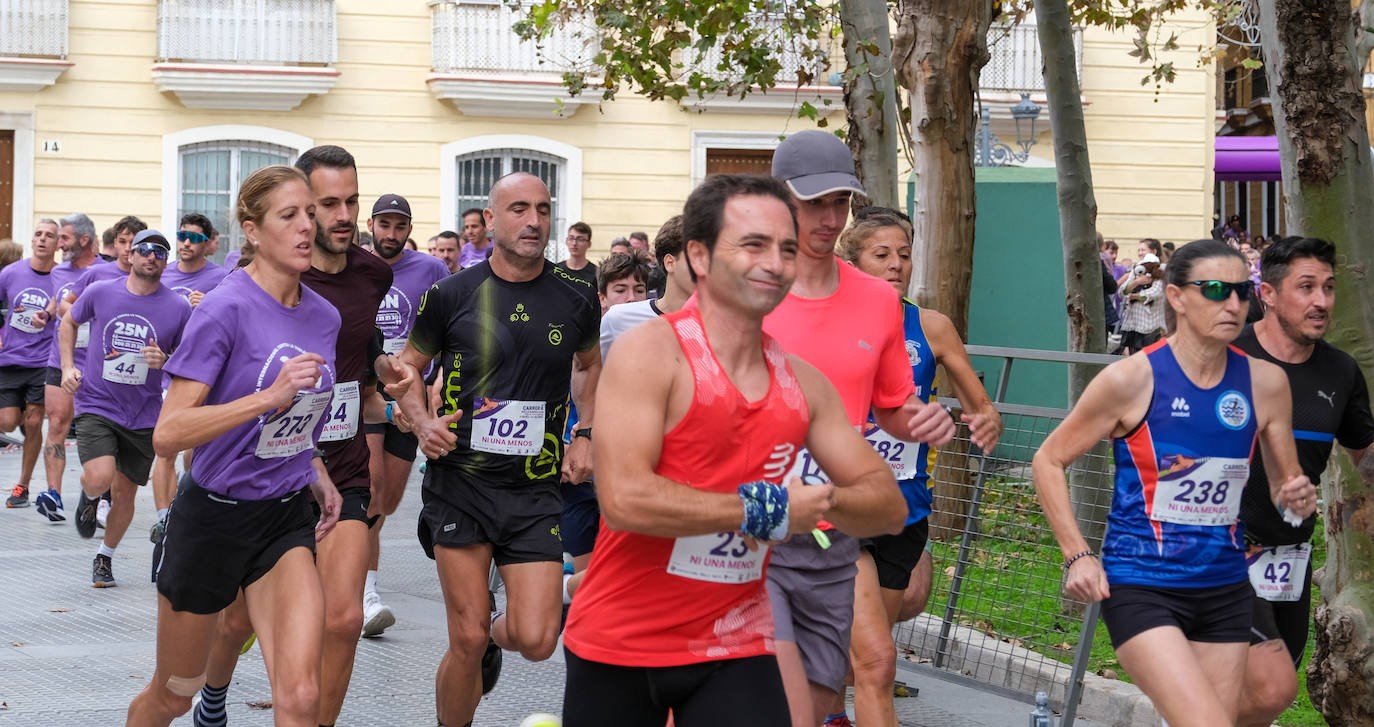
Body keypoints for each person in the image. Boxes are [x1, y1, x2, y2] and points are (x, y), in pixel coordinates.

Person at [561, 173, 906, 727]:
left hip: (736, 642)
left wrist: (820, 504)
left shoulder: (803, 383)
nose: (775, 263)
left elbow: (887, 505)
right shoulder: (651, 354)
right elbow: (626, 499)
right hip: (623, 640)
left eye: (787, 248)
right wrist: (769, 510)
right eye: (753, 245)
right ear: (698, 256)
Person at [1032, 239, 1317, 727]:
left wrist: (1296, 495)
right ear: (1177, 297)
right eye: (1215, 290)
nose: (1233, 304)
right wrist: (1076, 554)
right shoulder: (1132, 380)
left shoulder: (1266, 383)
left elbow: (1283, 485)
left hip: (1225, 587)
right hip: (1143, 584)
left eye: (1241, 291)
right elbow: (1048, 459)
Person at [189, 145, 405, 727]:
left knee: (344, 620)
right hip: (264, 476)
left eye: (350, 201)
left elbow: (362, 354)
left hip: (343, 468)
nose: (341, 216)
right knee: (237, 620)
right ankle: (213, 695)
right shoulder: (257, 285)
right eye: (325, 204)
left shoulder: (373, 275)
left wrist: (393, 388)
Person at [125, 165, 343, 727]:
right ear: (252, 230)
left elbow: (300, 410)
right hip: (213, 520)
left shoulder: (325, 316)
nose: (306, 227)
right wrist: (267, 397)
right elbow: (169, 433)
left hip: (284, 518)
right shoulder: (224, 308)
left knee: (301, 697)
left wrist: (314, 467)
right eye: (288, 216)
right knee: (175, 694)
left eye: (310, 214)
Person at [391, 171, 601, 727]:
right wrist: (422, 424)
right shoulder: (451, 294)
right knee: (464, 636)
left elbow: (588, 367)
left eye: (543, 210)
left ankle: (491, 636)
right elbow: (407, 368)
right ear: (489, 218)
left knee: (537, 638)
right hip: (460, 482)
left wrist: (584, 434)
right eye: (519, 209)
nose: (533, 222)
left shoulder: (577, 295)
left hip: (535, 489)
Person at [764, 130, 957, 727]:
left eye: (840, 202)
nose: (830, 218)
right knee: (772, 684)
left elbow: (892, 404)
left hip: (834, 524)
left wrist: (922, 419)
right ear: (780, 198)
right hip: (750, 519)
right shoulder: (745, 286)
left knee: (869, 665)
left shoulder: (876, 300)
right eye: (814, 202)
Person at [833, 207, 1002, 727]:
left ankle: (830, 711)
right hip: (841, 506)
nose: (896, 264)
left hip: (905, 505)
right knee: (872, 658)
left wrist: (984, 420)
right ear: (853, 262)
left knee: (868, 659)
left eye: (904, 255)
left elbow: (980, 405)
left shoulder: (931, 326)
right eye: (881, 254)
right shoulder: (828, 321)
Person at [1231, 237, 1373, 727]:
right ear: (1268, 293)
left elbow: (1365, 455)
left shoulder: (1340, 371)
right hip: (1217, 551)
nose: (1322, 301)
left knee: (1271, 692)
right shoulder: (1224, 355)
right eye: (1307, 287)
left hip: (1287, 558)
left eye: (1328, 288)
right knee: (1245, 683)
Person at [59, 230, 190, 587]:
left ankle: (105, 556)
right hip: (97, 402)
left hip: (144, 413)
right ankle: (90, 495)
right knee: (100, 477)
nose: (151, 256)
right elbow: (68, 321)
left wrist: (165, 360)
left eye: (159, 252)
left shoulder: (178, 307)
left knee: (125, 494)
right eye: (144, 249)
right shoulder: (101, 292)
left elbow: (189, 358)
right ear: (130, 255)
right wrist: (68, 367)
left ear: (166, 261)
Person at [363, 192, 451, 637]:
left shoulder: (431, 270)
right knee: (370, 489)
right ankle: (365, 593)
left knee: (388, 501)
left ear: (410, 230)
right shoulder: (357, 267)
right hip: (365, 390)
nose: (391, 234)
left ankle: (351, 556)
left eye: (400, 226)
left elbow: (450, 322)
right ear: (371, 225)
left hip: (410, 391)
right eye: (385, 225)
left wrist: (440, 378)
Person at [36, 215, 139, 520]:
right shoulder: (97, 273)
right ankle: (54, 495)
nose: (127, 248)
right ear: (115, 243)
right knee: (57, 422)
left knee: (105, 432)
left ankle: (98, 494)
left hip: (105, 366)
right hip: (64, 360)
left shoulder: (149, 280)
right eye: (122, 242)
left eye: (133, 243)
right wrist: (90, 313)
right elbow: (65, 304)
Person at [149, 213, 231, 539]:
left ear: (207, 244)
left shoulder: (221, 278)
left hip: (204, 374)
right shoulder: (164, 274)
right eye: (182, 235)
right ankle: (165, 520)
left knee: (192, 451)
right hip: (167, 371)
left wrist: (210, 305)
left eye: (194, 238)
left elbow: (237, 316)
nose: (186, 242)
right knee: (166, 448)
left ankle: (188, 499)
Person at [0, 219, 59, 510]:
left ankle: (22, 486)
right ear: (32, 240)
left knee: (35, 421)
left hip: (43, 360)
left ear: (58, 243)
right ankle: (22, 411)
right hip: (10, 358)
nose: (43, 239)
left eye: (49, 235)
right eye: (38, 234)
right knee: (7, 422)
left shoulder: (62, 278)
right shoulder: (10, 273)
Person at [556, 221, 596, 286]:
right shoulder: (557, 270)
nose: (574, 243)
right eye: (571, 238)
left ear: (589, 244)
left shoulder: (596, 273)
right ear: (566, 241)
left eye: (580, 239)